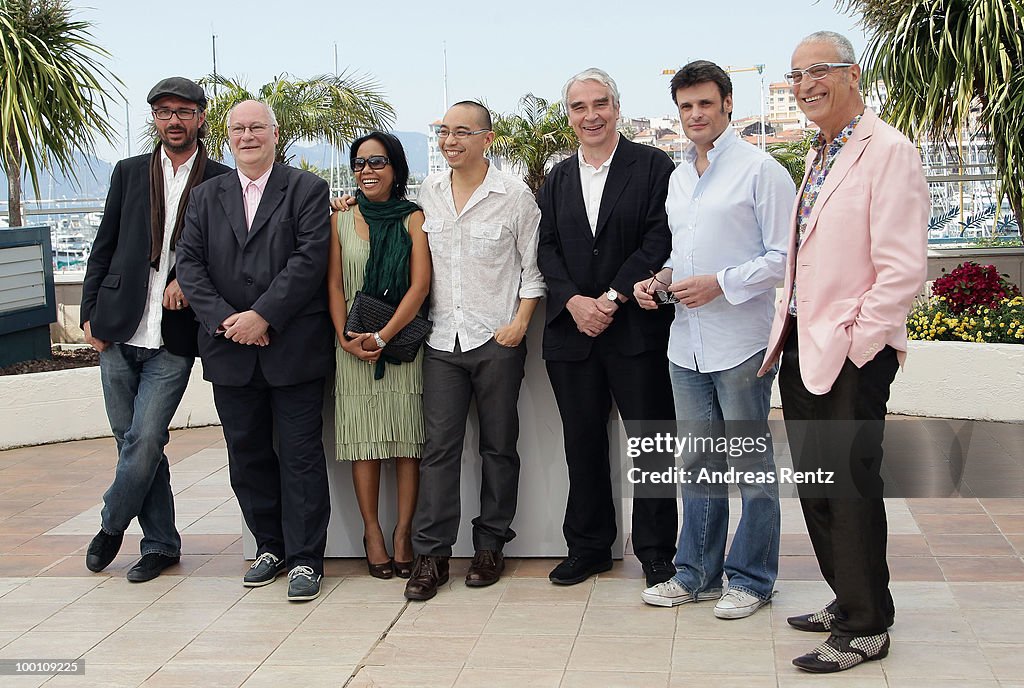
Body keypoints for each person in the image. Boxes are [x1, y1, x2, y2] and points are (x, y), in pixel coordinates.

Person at [757, 31, 928, 672]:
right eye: (796, 76)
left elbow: (903, 268)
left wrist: (862, 340)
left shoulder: (890, 152)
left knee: (850, 484)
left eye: (817, 72)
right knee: (818, 482)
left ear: (852, 74)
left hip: (852, 350)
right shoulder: (821, 152)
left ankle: (867, 624)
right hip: (803, 341)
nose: (804, 86)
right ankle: (849, 595)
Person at [634, 61, 794, 618]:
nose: (696, 115)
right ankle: (696, 574)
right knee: (697, 465)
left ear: (728, 103)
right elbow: (685, 255)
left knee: (750, 468)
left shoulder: (761, 170)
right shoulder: (680, 177)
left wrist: (721, 285)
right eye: (686, 106)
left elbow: (783, 260)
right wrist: (660, 281)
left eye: (705, 103)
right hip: (686, 344)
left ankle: (752, 579)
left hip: (742, 342)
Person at [176, 100, 334, 602]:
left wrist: (263, 316)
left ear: (274, 133)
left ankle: (307, 558)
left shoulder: (307, 189)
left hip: (293, 348)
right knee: (246, 455)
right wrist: (230, 321)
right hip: (229, 351)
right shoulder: (204, 197)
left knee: (302, 457)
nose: (248, 135)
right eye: (239, 129)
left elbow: (309, 260)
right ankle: (271, 546)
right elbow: (190, 265)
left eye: (257, 128)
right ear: (227, 137)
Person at [80, 77, 231, 583]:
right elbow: (103, 245)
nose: (173, 120)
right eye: (164, 112)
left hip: (174, 335)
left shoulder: (221, 179)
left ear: (201, 118)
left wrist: (187, 281)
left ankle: (110, 524)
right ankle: (161, 543)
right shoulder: (127, 173)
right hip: (118, 326)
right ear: (155, 119)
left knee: (144, 438)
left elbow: (225, 256)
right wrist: (88, 312)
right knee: (134, 443)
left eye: (183, 111)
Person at [537, 68, 678, 587]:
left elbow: (660, 236)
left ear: (617, 108)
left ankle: (658, 552)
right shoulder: (556, 177)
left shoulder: (652, 166)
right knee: (583, 443)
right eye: (579, 107)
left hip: (636, 330)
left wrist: (612, 297)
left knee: (652, 445)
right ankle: (590, 546)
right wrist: (574, 301)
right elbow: (546, 248)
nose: (590, 115)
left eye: (600, 104)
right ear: (569, 115)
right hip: (573, 333)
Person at [327, 131, 429, 580]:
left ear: (396, 169)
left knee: (407, 445)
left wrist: (384, 336)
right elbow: (332, 284)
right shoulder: (340, 220)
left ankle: (404, 533)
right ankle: (372, 533)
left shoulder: (414, 219)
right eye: (359, 162)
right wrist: (345, 337)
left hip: (400, 344)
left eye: (377, 162)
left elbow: (420, 286)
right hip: (350, 347)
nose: (367, 170)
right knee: (363, 445)